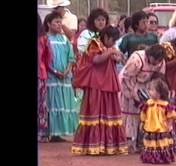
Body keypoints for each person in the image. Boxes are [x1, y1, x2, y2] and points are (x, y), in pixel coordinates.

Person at [71, 26, 128, 155]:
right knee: (95, 113)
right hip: (96, 84)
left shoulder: (108, 47)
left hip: (107, 82)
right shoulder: (94, 43)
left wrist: (115, 55)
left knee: (109, 112)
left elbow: (118, 60)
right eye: (112, 40)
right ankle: (93, 145)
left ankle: (108, 145)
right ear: (106, 37)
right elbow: (96, 60)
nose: (114, 44)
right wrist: (110, 52)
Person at [119, 44, 167, 153]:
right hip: (130, 83)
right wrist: (133, 94)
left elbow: (159, 78)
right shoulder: (137, 59)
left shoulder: (160, 63)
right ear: (149, 55)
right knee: (130, 112)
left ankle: (141, 142)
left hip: (146, 85)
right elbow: (127, 77)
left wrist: (153, 92)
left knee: (144, 112)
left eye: (158, 61)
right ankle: (129, 143)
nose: (156, 63)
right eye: (155, 60)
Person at [40, 11, 78, 142]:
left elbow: (71, 57)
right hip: (51, 78)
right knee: (51, 104)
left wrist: (67, 71)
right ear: (48, 24)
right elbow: (44, 59)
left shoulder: (64, 39)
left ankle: (59, 132)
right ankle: (50, 131)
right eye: (56, 22)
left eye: (60, 22)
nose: (59, 24)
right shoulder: (45, 39)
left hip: (65, 78)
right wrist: (55, 71)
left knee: (63, 103)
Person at [140, 75, 176, 164]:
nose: (149, 92)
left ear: (159, 93)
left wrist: (169, 125)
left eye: (152, 90)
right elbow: (144, 114)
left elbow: (170, 116)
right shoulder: (148, 103)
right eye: (149, 90)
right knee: (151, 143)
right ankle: (150, 158)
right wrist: (143, 122)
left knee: (161, 143)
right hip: (150, 127)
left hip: (161, 128)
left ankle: (161, 158)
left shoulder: (165, 104)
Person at [38, 13, 49, 142]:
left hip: (40, 74)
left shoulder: (43, 39)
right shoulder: (43, 38)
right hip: (41, 74)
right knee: (41, 104)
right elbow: (48, 56)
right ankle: (42, 133)